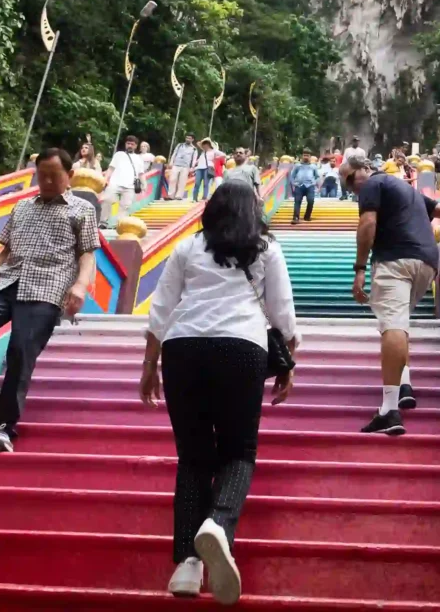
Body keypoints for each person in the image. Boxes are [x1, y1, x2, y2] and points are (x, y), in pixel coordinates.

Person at [139, 181, 298, 603]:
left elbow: (161, 307)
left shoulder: (189, 247)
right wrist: (289, 364)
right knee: (238, 452)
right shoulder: (267, 248)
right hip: (242, 347)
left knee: (192, 456)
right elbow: (282, 311)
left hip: (182, 348)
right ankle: (217, 525)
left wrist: (148, 366)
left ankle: (188, 567)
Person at [0, 149, 100, 452]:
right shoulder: (22, 206)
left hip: (47, 288)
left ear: (69, 176)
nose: (47, 180)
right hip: (6, 280)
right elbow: (5, 251)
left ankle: (4, 425)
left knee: (21, 351)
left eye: (55, 175)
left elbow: (87, 253)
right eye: (42, 174)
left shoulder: (82, 210)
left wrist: (79, 286)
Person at [339, 155, 440, 436]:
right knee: (399, 324)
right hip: (428, 264)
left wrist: (359, 269)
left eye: (348, 178)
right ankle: (404, 382)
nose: (348, 187)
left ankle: (389, 411)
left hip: (395, 259)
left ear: (364, 169)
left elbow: (367, 224)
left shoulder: (372, 184)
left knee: (392, 326)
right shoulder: (408, 190)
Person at [101, 136, 144, 228]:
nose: (130, 146)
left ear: (136, 146)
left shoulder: (138, 158)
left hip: (130, 186)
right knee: (107, 200)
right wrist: (105, 179)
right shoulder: (119, 154)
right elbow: (111, 168)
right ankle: (103, 222)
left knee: (125, 206)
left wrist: (144, 184)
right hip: (115, 183)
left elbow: (141, 173)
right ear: (125, 144)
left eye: (132, 144)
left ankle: (120, 224)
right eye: (128, 143)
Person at [290, 149, 320, 225]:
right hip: (299, 186)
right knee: (297, 201)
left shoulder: (313, 166)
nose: (306, 157)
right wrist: (293, 183)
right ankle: (296, 218)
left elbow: (317, 177)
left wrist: (315, 183)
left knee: (311, 201)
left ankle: (307, 216)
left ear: (310, 157)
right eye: (304, 155)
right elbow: (292, 176)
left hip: (310, 186)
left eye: (307, 155)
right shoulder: (297, 166)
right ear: (302, 156)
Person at [168, 133, 198, 201]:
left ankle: (179, 196)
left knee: (182, 181)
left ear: (192, 139)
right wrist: (171, 162)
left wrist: (192, 167)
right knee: (172, 179)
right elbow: (174, 153)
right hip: (176, 164)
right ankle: (171, 195)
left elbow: (194, 159)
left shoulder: (194, 149)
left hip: (186, 166)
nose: (187, 139)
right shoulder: (179, 145)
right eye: (187, 138)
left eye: (189, 138)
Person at [193, 138, 215, 202]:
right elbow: (198, 143)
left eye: (206, 143)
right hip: (199, 168)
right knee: (197, 183)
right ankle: (194, 198)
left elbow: (222, 155)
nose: (205, 145)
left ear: (209, 144)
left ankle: (204, 198)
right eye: (204, 143)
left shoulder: (214, 151)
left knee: (206, 184)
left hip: (207, 168)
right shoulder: (203, 151)